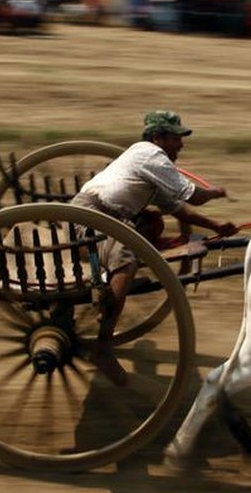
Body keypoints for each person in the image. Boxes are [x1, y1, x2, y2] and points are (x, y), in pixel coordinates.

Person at [71, 110, 237, 385]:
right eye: (176, 138)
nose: (181, 145)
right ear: (159, 138)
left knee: (153, 219)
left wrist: (217, 227)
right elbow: (194, 198)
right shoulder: (151, 155)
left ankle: (119, 280)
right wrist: (215, 192)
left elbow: (181, 211)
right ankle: (102, 346)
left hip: (106, 219)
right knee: (126, 263)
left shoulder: (147, 163)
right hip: (92, 222)